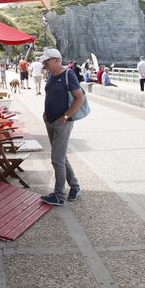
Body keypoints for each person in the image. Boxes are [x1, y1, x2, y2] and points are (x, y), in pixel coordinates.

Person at [38, 48, 85, 206]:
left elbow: (80, 98)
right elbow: (51, 95)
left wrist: (65, 117)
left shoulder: (68, 74)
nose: (44, 64)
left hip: (62, 123)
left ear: (57, 60)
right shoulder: (51, 74)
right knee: (61, 157)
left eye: (47, 61)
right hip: (51, 121)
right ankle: (75, 186)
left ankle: (59, 195)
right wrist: (46, 113)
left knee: (56, 159)